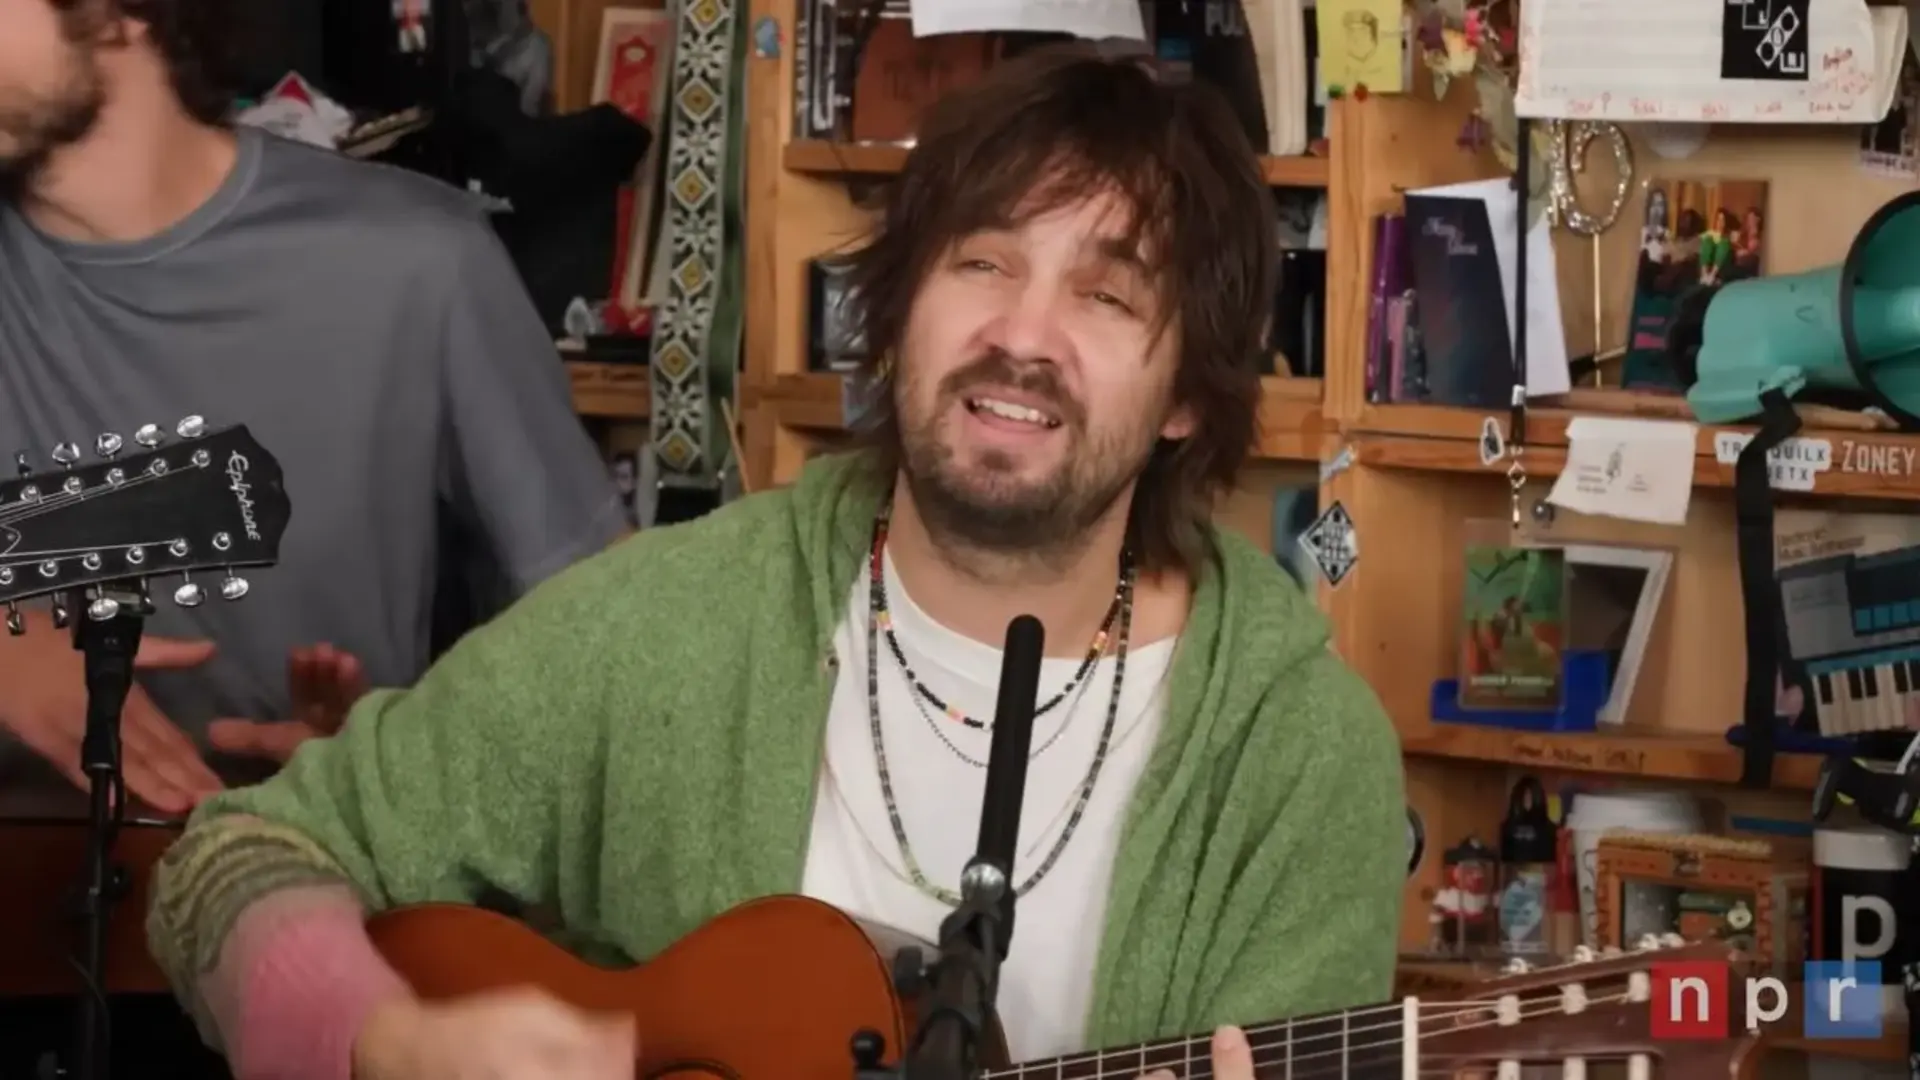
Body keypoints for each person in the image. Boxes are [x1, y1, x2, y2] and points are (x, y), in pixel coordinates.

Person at [146, 49, 1406, 1080]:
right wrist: (387, 1037)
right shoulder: (678, 619)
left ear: (1189, 393)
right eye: (983, 262)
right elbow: (234, 858)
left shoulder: (1292, 756)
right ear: (900, 307)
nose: (1023, 337)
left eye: (1108, 298)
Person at [0, 0, 627, 813]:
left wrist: (402, 758)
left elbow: (616, 649)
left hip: (329, 886)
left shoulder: (419, 265)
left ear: (122, 14)